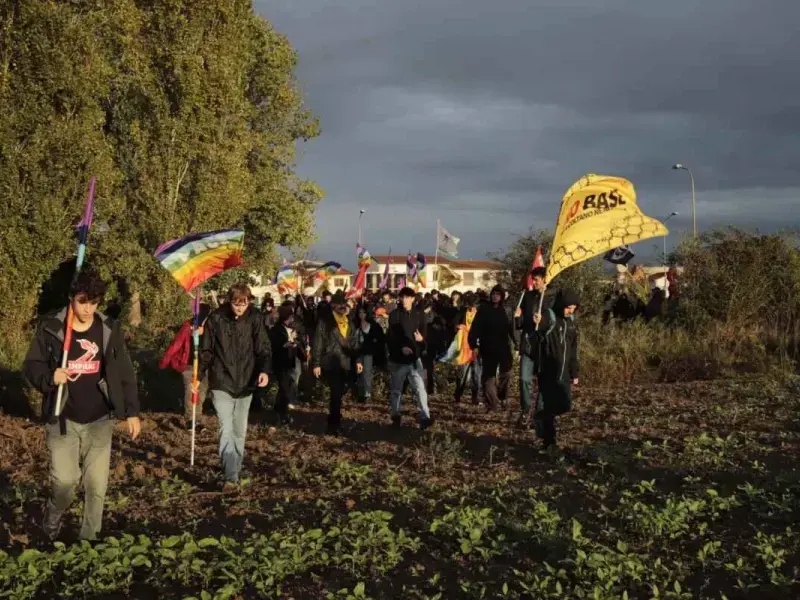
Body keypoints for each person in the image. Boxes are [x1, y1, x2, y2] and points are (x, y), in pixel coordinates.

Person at [24, 270, 141, 541]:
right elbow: (31, 365)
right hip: (62, 418)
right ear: (71, 299)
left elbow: (124, 372)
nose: (88, 308)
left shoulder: (108, 329)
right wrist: (49, 377)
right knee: (65, 482)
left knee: (96, 486)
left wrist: (132, 412)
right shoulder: (52, 327)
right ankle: (52, 516)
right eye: (82, 301)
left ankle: (88, 542)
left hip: (99, 418)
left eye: (94, 301)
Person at [199, 284, 271, 490]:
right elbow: (206, 350)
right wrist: (199, 374)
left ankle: (235, 469)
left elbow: (263, 348)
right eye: (235, 304)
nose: (239, 308)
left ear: (249, 302)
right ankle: (230, 476)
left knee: (240, 430)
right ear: (228, 301)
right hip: (221, 380)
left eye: (244, 304)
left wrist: (264, 370)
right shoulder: (216, 319)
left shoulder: (255, 318)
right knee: (226, 426)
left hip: (247, 381)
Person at [532, 289, 580, 453]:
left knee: (565, 405)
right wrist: (537, 321)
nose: (570, 310)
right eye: (568, 307)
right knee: (551, 408)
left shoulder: (572, 324)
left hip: (564, 374)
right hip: (548, 371)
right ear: (561, 305)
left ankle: (540, 417)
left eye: (573, 307)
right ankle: (549, 442)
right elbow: (539, 328)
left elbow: (574, 350)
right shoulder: (551, 318)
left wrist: (575, 372)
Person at [311, 290, 363, 435]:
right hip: (331, 363)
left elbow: (354, 343)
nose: (343, 306)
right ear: (333, 305)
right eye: (339, 304)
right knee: (335, 393)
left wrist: (357, 360)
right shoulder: (325, 322)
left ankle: (335, 418)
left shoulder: (349, 321)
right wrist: (316, 363)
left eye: (344, 304)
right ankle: (333, 425)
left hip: (346, 363)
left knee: (340, 392)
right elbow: (318, 343)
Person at [386, 287, 434, 430]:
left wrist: (421, 341)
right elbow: (391, 337)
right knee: (396, 390)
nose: (405, 300)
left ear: (413, 299)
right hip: (398, 360)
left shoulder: (419, 315)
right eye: (403, 297)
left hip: (414, 359)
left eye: (408, 297)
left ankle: (425, 417)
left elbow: (424, 337)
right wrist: (400, 348)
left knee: (420, 388)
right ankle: (395, 415)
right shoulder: (394, 315)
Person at [159, 303, 212, 420]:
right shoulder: (188, 327)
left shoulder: (211, 328)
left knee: (201, 393)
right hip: (189, 365)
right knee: (190, 392)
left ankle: (197, 418)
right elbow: (176, 345)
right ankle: (190, 419)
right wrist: (164, 361)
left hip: (204, 367)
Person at [515, 267, 554, 425]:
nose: (534, 282)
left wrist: (542, 321)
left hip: (544, 346)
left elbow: (554, 322)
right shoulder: (527, 296)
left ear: (544, 279)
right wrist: (518, 318)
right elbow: (520, 324)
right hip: (528, 345)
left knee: (543, 382)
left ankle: (539, 414)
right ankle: (525, 411)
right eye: (533, 279)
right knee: (524, 379)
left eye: (537, 279)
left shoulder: (551, 298)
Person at [468, 284, 515, 412]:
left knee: (507, 373)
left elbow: (513, 329)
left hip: (504, 348)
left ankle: (502, 396)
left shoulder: (507, 310)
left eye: (498, 294)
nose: (495, 297)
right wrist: (474, 345)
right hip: (487, 348)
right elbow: (475, 328)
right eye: (493, 294)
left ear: (502, 297)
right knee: (489, 378)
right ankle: (492, 404)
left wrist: (518, 344)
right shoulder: (484, 310)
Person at [269, 304, 306, 426]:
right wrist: (284, 345)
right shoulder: (276, 329)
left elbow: (299, 340)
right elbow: (273, 345)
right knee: (284, 387)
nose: (292, 320)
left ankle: (280, 410)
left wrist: (296, 342)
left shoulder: (292, 330)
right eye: (291, 318)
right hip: (280, 363)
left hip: (290, 361)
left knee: (287, 387)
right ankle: (281, 413)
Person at [453, 294, 481, 404]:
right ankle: (458, 394)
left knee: (476, 374)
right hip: (464, 347)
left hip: (476, 347)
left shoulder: (480, 314)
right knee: (462, 373)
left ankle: (475, 397)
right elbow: (454, 323)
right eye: (471, 306)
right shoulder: (462, 312)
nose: (473, 308)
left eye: (475, 306)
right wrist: (458, 326)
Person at [355, 304, 386, 403]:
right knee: (359, 372)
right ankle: (360, 393)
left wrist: (374, 342)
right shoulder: (355, 324)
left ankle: (367, 394)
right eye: (360, 312)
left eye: (363, 312)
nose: (361, 314)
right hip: (357, 352)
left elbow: (379, 337)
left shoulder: (372, 325)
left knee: (367, 372)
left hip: (368, 352)